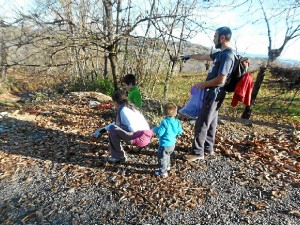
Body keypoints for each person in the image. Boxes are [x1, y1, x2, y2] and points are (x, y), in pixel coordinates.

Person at [181, 26, 235, 162]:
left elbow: (221, 79)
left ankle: (197, 152)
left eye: (215, 36)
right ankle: (208, 148)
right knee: (211, 122)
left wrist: (202, 84)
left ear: (222, 38)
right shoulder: (220, 54)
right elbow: (203, 57)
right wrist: (189, 56)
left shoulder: (228, 55)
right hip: (213, 94)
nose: (213, 39)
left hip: (214, 94)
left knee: (202, 123)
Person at [93, 90, 151, 163]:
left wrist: (122, 130)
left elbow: (133, 128)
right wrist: (103, 130)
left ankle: (118, 157)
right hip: (147, 136)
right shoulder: (130, 107)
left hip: (140, 137)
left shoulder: (123, 110)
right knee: (114, 128)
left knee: (113, 130)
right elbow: (117, 124)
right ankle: (133, 148)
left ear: (115, 102)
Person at [152, 103, 183, 178]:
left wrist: (154, 128)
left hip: (164, 144)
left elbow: (160, 133)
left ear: (164, 113)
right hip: (172, 144)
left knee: (162, 158)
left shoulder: (165, 122)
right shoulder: (177, 122)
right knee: (168, 155)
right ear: (175, 113)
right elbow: (180, 131)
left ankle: (163, 172)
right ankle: (167, 166)